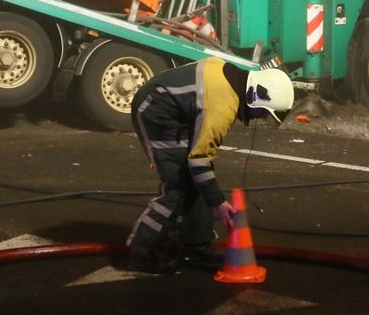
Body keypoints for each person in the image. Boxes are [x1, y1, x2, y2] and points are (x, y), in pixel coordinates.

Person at [125, 57, 295, 274]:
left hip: (170, 108)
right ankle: (142, 252)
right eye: (263, 113)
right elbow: (199, 159)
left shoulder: (233, 78)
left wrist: (213, 196)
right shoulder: (222, 107)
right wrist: (219, 203)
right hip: (155, 110)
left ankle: (196, 245)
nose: (259, 119)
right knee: (178, 187)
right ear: (255, 96)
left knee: (197, 180)